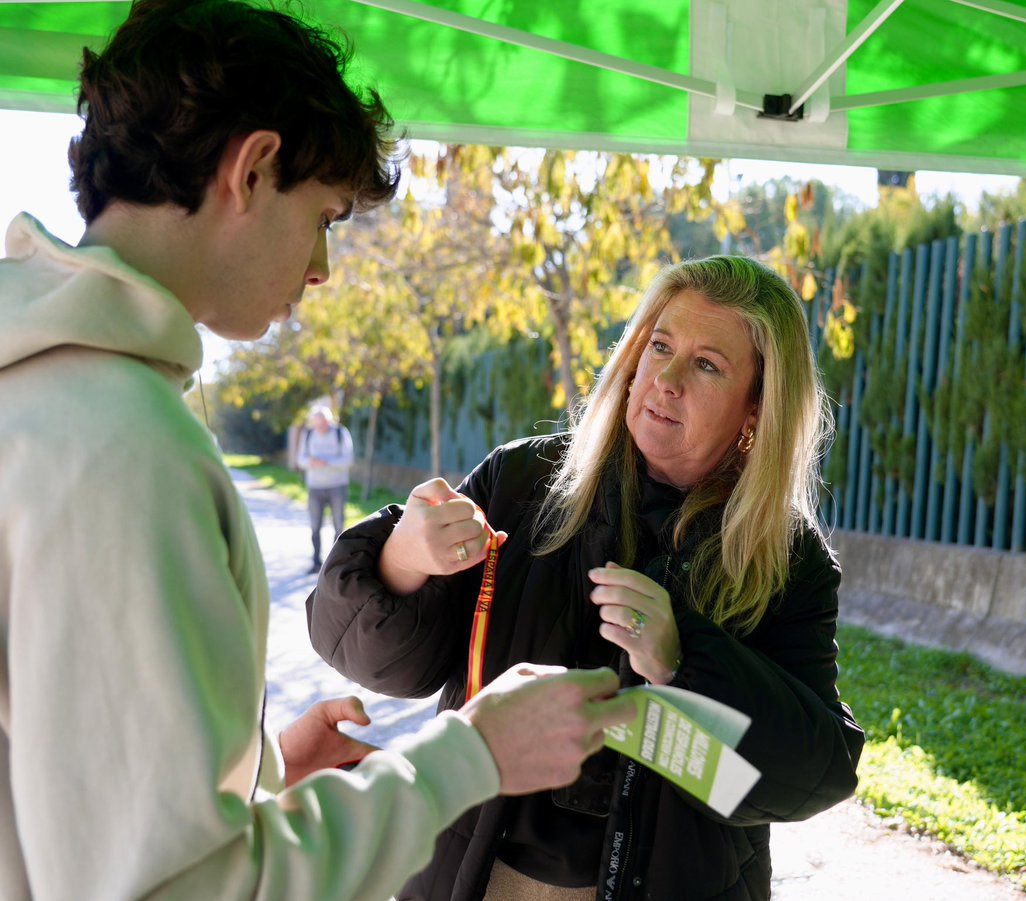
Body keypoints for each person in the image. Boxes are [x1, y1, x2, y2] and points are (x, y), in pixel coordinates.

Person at [0, 1, 636, 898]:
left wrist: (253, 778)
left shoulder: (38, 395)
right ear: (253, 170)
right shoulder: (119, 445)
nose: (322, 267)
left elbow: (70, 793)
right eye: (326, 216)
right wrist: (474, 753)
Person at [308, 255, 866, 900]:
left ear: (756, 410)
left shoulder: (786, 561)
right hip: (473, 876)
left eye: (708, 364)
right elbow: (387, 668)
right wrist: (400, 563)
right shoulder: (522, 484)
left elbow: (807, 778)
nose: (667, 379)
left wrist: (685, 660)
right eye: (659, 346)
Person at [297, 404, 354, 572]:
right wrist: (310, 462)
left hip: (337, 486)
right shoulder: (307, 435)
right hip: (315, 487)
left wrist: (325, 462)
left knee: (338, 525)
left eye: (323, 423)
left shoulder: (340, 433)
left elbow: (348, 460)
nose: (320, 427)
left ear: (329, 421)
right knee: (315, 526)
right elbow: (300, 459)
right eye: (317, 424)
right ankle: (316, 562)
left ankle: (335, 564)